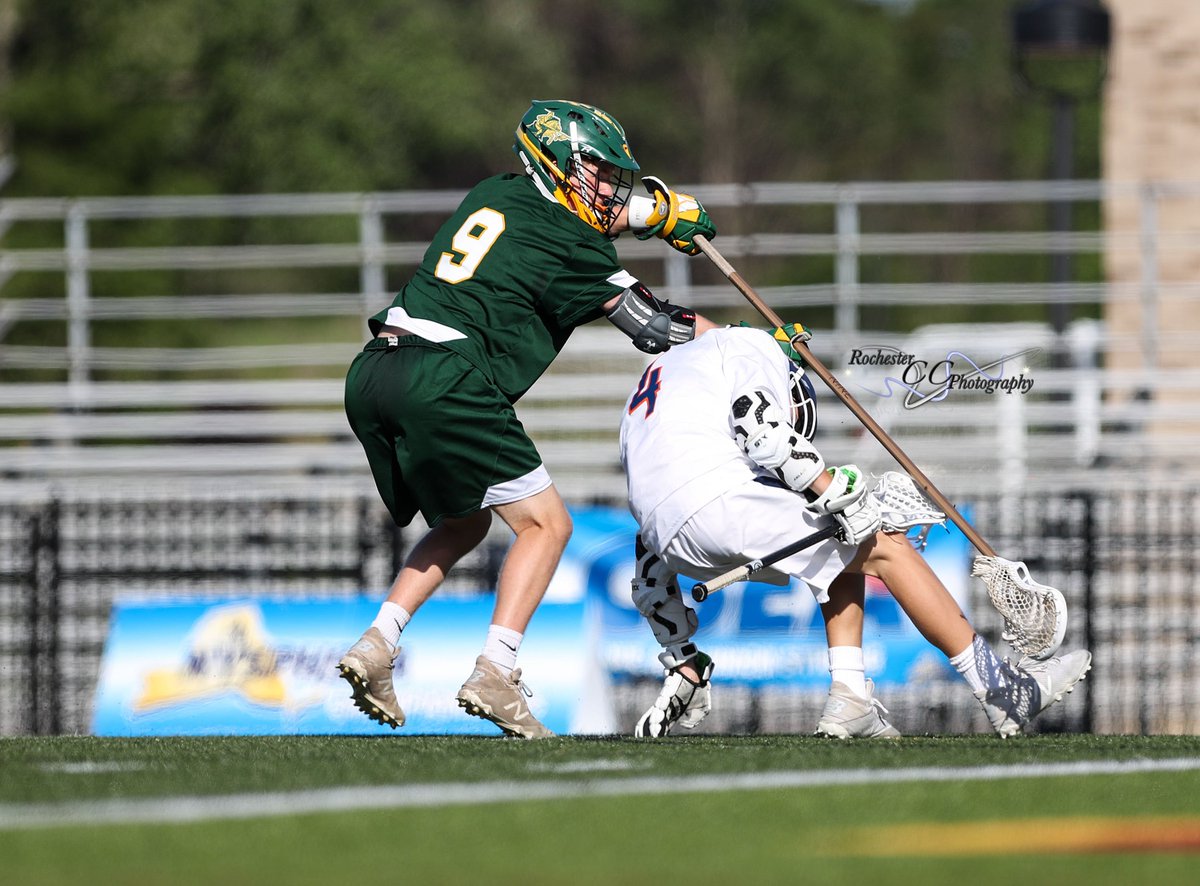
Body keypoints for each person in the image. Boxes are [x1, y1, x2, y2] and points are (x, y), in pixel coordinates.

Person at [336, 99, 720, 739]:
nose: (609, 188)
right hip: (445, 377)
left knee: (464, 521)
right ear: (559, 164)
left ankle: (378, 641)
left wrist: (656, 212)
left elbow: (575, 218)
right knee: (547, 525)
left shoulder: (497, 190)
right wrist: (746, 345)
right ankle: (496, 668)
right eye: (598, 172)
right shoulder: (571, 242)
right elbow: (654, 328)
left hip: (376, 369)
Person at [619, 322, 1092, 738]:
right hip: (721, 502)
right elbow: (761, 430)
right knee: (885, 545)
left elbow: (651, 547)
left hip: (671, 536)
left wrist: (680, 654)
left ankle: (850, 697)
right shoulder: (750, 344)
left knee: (844, 541)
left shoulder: (665, 377)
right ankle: (1001, 690)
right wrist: (831, 490)